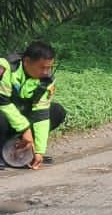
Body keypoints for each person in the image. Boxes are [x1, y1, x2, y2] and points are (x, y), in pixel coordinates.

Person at [0, 41, 66, 170]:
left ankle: (24, 149)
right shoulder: (4, 67)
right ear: (26, 61)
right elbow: (2, 101)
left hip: (19, 117)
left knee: (56, 111)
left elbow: (41, 115)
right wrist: (25, 129)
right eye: (42, 67)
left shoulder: (47, 80)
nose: (46, 72)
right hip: (4, 111)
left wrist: (40, 151)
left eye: (49, 67)